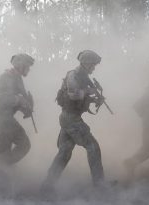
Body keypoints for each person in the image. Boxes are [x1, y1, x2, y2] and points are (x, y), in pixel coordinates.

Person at [42, 50, 105, 192]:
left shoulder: (83, 76)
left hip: (69, 118)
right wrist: (89, 92)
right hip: (71, 118)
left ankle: (47, 185)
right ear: (87, 63)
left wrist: (96, 99)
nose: (94, 68)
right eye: (93, 65)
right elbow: (73, 94)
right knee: (93, 147)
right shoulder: (73, 75)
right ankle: (100, 186)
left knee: (64, 152)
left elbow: (82, 96)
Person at [0, 53, 34, 192]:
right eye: (27, 66)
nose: (29, 69)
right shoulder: (7, 77)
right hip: (1, 119)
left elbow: (18, 98)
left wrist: (25, 107)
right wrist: (18, 100)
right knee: (4, 151)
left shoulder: (17, 78)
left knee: (24, 144)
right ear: (20, 65)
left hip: (8, 119)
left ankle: (0, 174)